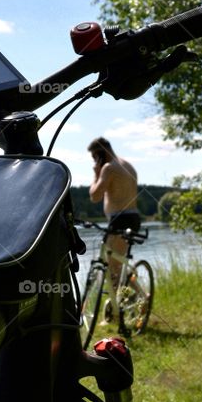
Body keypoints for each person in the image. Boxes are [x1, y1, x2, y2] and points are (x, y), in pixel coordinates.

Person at [88, 137, 140, 321]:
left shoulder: (108, 168)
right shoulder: (127, 164)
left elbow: (95, 196)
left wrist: (96, 173)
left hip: (119, 220)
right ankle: (132, 298)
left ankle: (121, 308)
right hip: (133, 217)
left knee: (112, 268)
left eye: (95, 157)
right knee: (118, 263)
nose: (95, 162)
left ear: (101, 153)